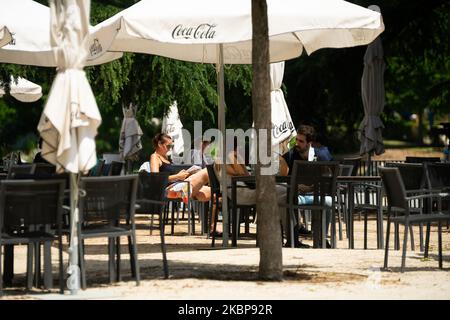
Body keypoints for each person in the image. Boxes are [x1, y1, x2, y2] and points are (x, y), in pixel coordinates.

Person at [281, 125, 334, 248]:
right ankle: (293, 240)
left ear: (309, 143)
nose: (297, 143)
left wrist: (310, 188)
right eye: (296, 140)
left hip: (316, 194)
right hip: (297, 195)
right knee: (286, 198)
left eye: (301, 141)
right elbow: (281, 171)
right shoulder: (291, 155)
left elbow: (329, 179)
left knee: (329, 201)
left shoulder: (322, 155)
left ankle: (321, 238)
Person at [150, 133, 211, 202]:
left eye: (172, 146)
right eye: (168, 146)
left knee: (215, 194)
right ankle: (186, 193)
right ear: (160, 144)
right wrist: (177, 176)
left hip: (177, 186)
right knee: (205, 172)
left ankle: (187, 193)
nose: (170, 148)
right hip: (167, 190)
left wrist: (186, 173)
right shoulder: (155, 157)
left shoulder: (166, 157)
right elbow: (155, 179)